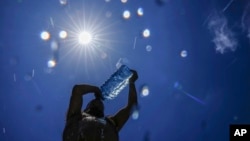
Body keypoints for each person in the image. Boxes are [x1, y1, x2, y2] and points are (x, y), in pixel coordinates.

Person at [63, 70, 138, 141]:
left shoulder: (112, 122)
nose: (97, 102)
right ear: (86, 109)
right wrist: (95, 89)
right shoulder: (75, 116)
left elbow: (132, 106)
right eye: (93, 102)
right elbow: (77, 90)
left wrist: (131, 82)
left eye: (98, 104)